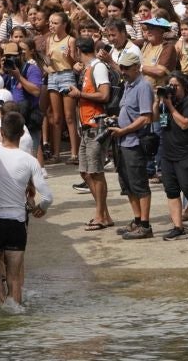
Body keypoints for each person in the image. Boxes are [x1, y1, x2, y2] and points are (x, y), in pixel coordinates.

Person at [0, 110, 53, 312]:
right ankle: (15, 309)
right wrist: (40, 209)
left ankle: (3, 304)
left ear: (1, 131)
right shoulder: (29, 160)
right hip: (17, 223)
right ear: (22, 134)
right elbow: (48, 196)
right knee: (14, 275)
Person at [65, 36, 113, 231]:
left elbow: (104, 95)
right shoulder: (86, 68)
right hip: (85, 126)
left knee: (96, 172)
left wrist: (79, 95)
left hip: (96, 126)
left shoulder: (98, 67)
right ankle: (104, 214)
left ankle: (100, 215)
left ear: (78, 50)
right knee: (85, 172)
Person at [107, 46, 155, 239]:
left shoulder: (143, 86)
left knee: (139, 184)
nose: (124, 72)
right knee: (127, 184)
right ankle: (136, 220)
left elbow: (145, 117)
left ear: (137, 67)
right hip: (123, 142)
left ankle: (145, 224)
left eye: (127, 68)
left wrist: (124, 130)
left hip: (134, 142)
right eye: (122, 68)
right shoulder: (127, 85)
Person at [155, 72, 188, 241]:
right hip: (168, 154)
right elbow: (156, 120)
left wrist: (170, 107)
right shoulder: (165, 104)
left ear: (184, 87)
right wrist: (158, 101)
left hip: (187, 154)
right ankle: (178, 227)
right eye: (170, 85)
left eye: (175, 86)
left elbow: (185, 124)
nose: (172, 89)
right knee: (171, 191)